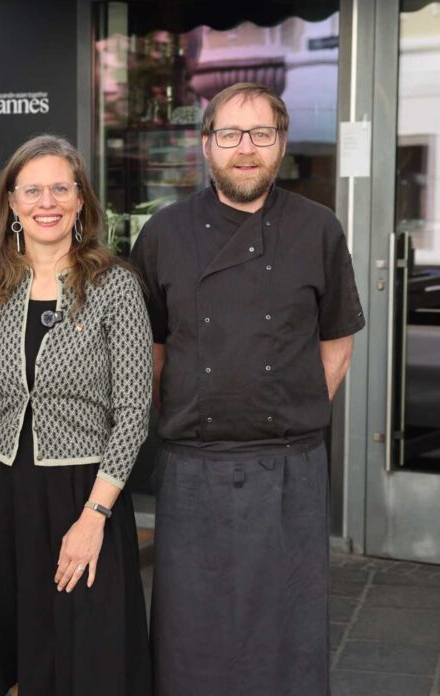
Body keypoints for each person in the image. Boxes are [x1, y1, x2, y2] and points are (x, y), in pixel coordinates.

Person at [130, 82, 366, 696]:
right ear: (206, 147)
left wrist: (298, 407)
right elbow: (151, 345)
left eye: (261, 134)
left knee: (288, 630)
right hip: (193, 467)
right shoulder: (163, 234)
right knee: (192, 633)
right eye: (230, 135)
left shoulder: (318, 228)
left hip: (290, 466)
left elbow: (337, 336)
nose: (245, 149)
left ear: (280, 144)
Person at [0, 134, 154, 695]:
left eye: (61, 188)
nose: (48, 201)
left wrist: (93, 518)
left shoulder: (116, 287)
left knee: (84, 656)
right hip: (0, 493)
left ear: (81, 200)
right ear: (11, 203)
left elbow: (134, 411)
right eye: (32, 189)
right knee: (2, 646)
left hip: (83, 493)